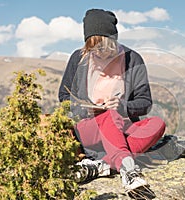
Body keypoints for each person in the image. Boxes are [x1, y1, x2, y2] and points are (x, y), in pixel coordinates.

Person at [58, 8, 166, 192]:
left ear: (113, 40)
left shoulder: (133, 59)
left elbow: (145, 102)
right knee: (109, 115)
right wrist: (88, 110)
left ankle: (99, 165)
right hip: (88, 129)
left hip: (121, 129)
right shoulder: (79, 58)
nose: (97, 53)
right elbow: (64, 97)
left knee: (157, 124)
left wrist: (123, 107)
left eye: (102, 47)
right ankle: (129, 170)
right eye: (92, 48)